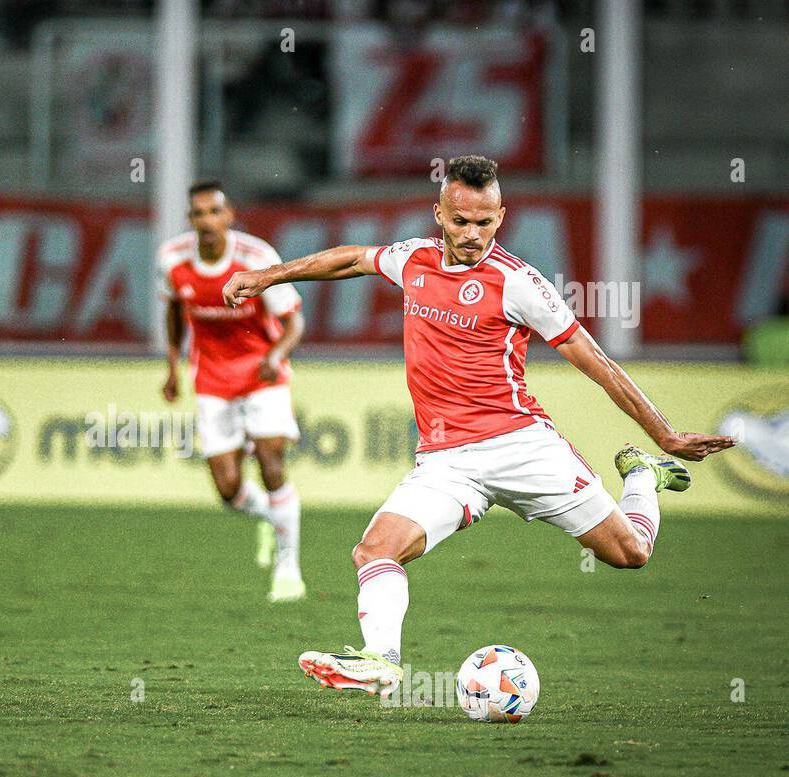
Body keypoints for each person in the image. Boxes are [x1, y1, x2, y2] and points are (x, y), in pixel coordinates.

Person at [221, 155, 736, 693]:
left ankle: (640, 477)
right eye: (462, 221)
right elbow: (351, 259)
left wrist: (666, 436)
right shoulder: (413, 259)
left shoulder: (519, 284)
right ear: (439, 214)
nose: (473, 234)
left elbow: (598, 363)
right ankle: (381, 661)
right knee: (374, 550)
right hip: (445, 462)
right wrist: (268, 276)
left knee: (630, 554)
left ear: (501, 216)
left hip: (521, 447)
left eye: (485, 222)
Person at [158, 180, 307, 602]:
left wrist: (276, 356)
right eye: (198, 214)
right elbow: (173, 311)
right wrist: (172, 366)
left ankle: (287, 567)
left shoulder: (257, 258)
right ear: (191, 220)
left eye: (214, 212)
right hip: (212, 379)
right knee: (228, 490)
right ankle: (268, 517)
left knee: (271, 462)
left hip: (262, 375)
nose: (206, 221)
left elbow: (294, 322)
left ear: (229, 216)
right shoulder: (171, 260)